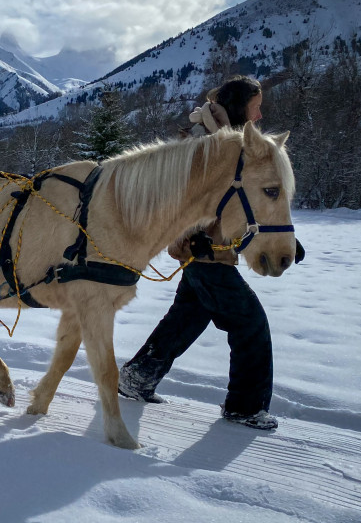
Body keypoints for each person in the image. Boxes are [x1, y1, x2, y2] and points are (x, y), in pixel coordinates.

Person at [118, 75, 305, 430]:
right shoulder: (207, 142)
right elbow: (178, 198)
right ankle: (245, 406)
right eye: (256, 106)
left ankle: (137, 376)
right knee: (250, 323)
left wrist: (277, 236)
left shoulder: (235, 144)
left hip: (213, 252)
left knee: (187, 318)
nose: (261, 114)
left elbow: (245, 202)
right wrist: (191, 236)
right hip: (203, 253)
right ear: (240, 106)